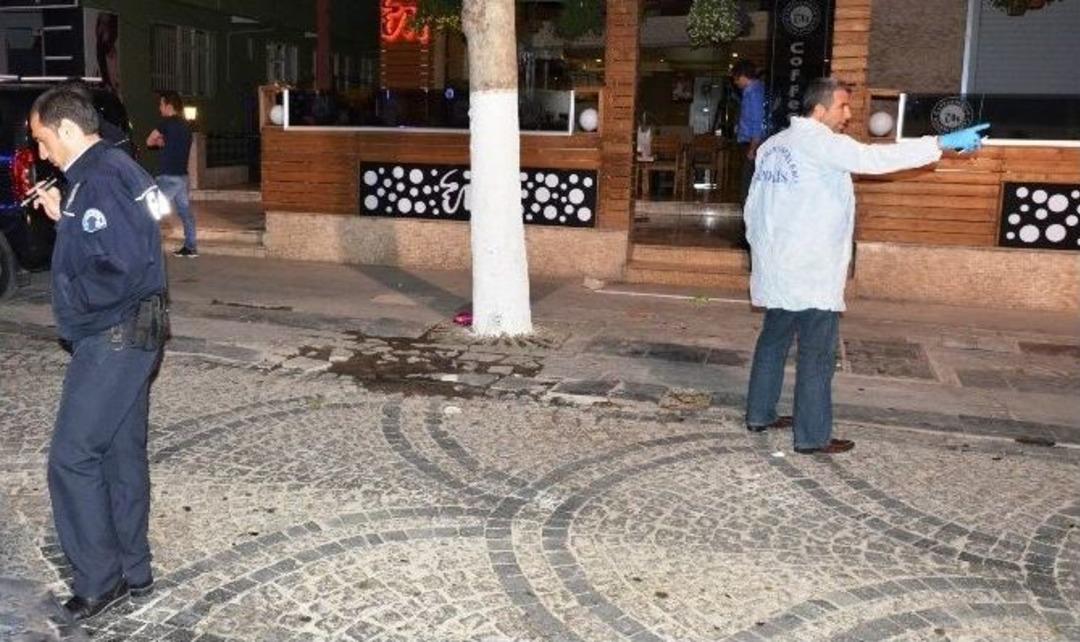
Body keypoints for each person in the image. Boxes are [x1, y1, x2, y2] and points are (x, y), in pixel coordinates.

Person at [742, 77, 988, 455]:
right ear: (819, 109)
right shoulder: (822, 143)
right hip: (810, 268)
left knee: (773, 342)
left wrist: (760, 249)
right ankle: (812, 436)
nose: (848, 114)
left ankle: (759, 414)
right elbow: (874, 159)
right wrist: (939, 142)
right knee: (817, 354)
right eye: (842, 106)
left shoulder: (773, 146)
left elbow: (753, 206)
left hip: (779, 264)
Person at [27, 86, 170, 621]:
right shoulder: (115, 170)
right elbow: (137, 230)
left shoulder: (101, 178)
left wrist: (81, 310)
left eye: (43, 141)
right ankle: (133, 569)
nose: (42, 154)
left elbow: (122, 267)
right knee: (117, 452)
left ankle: (98, 579)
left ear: (67, 130)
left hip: (114, 334)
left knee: (72, 457)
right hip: (136, 333)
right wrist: (69, 217)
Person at [146, 90, 196, 257]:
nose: (159, 108)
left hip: (168, 176)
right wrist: (164, 143)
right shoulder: (186, 125)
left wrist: (159, 141)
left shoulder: (166, 123)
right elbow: (177, 145)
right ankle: (190, 247)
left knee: (151, 210)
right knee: (185, 213)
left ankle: (147, 248)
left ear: (168, 105)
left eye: (161, 104)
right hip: (182, 176)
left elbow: (149, 140)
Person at [731, 59, 766, 205]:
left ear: (742, 76)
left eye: (735, 78)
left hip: (754, 143)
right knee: (748, 183)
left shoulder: (754, 93)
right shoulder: (752, 91)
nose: (735, 82)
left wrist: (753, 148)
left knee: (748, 184)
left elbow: (757, 121)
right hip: (753, 142)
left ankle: (749, 219)